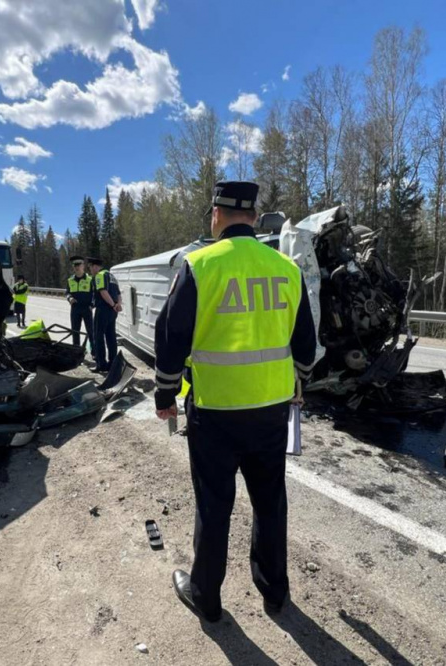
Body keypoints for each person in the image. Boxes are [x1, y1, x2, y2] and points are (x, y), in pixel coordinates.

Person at [153, 181, 317, 622]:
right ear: (253, 215)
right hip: (270, 411)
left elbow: (170, 337)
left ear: (216, 214)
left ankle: (206, 597)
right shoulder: (285, 268)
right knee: (270, 502)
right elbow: (305, 341)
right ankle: (275, 592)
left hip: (215, 412)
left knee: (214, 505)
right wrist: (301, 382)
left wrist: (165, 393)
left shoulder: (198, 265)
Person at [89, 257, 121, 372]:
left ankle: (101, 364)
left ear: (94, 266)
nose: (91, 270)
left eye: (91, 267)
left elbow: (103, 291)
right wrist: (117, 305)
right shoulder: (112, 276)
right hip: (113, 311)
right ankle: (113, 363)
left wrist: (112, 305)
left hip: (103, 309)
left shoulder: (99, 276)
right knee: (111, 336)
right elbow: (118, 293)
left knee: (98, 337)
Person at [65, 255, 94, 350]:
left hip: (87, 308)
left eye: (79, 265)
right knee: (75, 331)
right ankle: (76, 352)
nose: (77, 267)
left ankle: (94, 352)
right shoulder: (70, 280)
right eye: (75, 265)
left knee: (91, 332)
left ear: (83, 266)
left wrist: (92, 305)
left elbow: (95, 294)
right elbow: (67, 292)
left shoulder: (90, 280)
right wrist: (69, 298)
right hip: (75, 309)